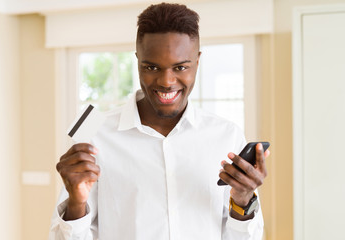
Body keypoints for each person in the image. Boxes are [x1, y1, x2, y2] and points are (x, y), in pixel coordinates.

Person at [49, 2, 270, 240]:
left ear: (197, 60)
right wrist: (75, 203)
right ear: (137, 61)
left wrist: (244, 199)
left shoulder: (227, 135)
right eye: (152, 66)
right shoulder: (94, 133)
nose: (166, 81)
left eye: (180, 67)